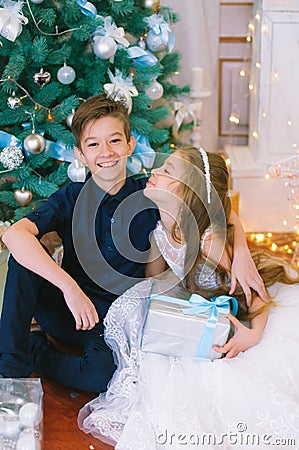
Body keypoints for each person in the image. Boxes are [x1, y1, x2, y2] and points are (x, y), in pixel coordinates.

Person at [0, 95, 266, 393]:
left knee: (100, 376)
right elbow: (13, 235)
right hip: (66, 309)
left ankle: (36, 351)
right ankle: (10, 368)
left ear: (130, 145)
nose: (106, 152)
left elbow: (214, 207)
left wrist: (240, 251)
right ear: (79, 154)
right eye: (93, 144)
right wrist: (69, 288)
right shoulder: (70, 198)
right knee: (22, 258)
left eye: (114, 141)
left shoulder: (152, 192)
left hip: (112, 321)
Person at [78, 146, 299, 448]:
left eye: (167, 171)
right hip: (195, 299)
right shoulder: (160, 229)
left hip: (237, 305)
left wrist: (252, 335)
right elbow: (154, 282)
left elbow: (255, 297)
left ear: (187, 192)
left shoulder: (209, 243)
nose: (154, 171)